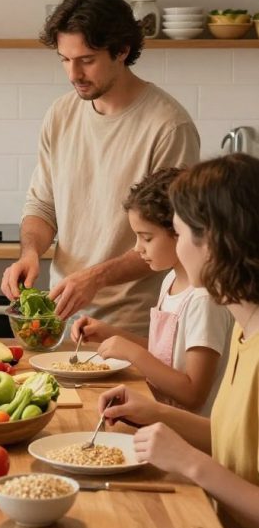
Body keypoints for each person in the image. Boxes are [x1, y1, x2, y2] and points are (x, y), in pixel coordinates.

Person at [0, 0, 200, 528]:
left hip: (134, 328)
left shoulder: (166, 124)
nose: (73, 74)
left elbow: (165, 234)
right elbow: (39, 203)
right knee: (50, 463)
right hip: (63, 324)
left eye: (84, 61)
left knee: (107, 487)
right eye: (63, 61)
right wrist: (32, 251)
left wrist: (90, 277)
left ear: (121, 49)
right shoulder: (63, 112)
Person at [33, 153, 259, 528]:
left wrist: (189, 463)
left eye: (179, 234)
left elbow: (213, 460)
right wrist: (157, 414)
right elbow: (235, 436)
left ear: (217, 242)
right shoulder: (246, 327)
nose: (173, 249)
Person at [71, 167, 232, 413]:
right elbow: (166, 357)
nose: (137, 248)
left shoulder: (205, 299)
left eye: (146, 238)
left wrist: (133, 353)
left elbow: (193, 394)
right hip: (161, 418)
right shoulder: (170, 280)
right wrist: (109, 334)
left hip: (192, 437)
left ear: (181, 232)